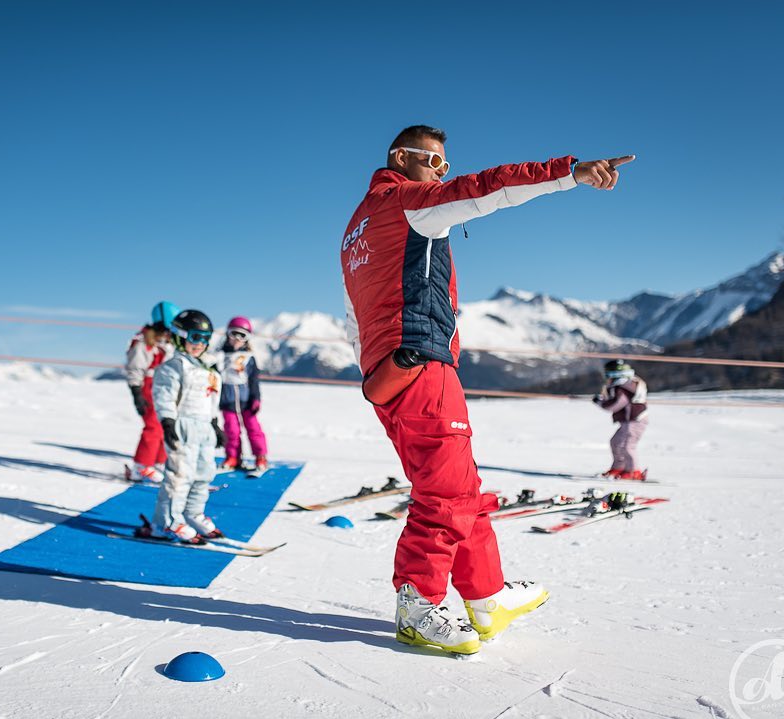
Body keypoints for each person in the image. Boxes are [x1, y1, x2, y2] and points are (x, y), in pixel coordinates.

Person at [340, 124, 634, 655]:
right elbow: (486, 188)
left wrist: (378, 369)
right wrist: (569, 173)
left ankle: (487, 597)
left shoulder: (354, 229)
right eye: (433, 162)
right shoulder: (408, 201)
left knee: (461, 488)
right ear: (400, 158)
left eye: (444, 166)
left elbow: (358, 311)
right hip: (421, 367)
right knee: (445, 495)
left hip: (389, 373)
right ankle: (418, 604)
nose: (441, 173)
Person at [144, 309, 227, 544]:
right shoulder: (174, 366)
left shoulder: (208, 369)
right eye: (195, 337)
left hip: (204, 429)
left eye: (205, 338)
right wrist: (168, 422)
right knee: (180, 476)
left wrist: (215, 424)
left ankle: (193, 513)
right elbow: (164, 395)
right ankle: (166, 522)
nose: (200, 344)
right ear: (180, 337)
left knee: (204, 474)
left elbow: (211, 400)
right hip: (182, 426)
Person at [124, 301, 179, 483]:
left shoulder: (168, 341)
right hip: (148, 386)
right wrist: (136, 392)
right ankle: (141, 466)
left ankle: (159, 462)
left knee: (166, 423)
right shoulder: (143, 342)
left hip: (164, 386)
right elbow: (135, 368)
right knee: (153, 426)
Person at [216, 316, 269, 473]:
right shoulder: (220, 356)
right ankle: (233, 457)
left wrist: (256, 398)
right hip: (227, 400)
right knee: (231, 431)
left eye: (242, 335)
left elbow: (253, 380)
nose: (237, 339)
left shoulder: (249, 358)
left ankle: (260, 456)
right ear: (227, 335)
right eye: (234, 334)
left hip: (246, 401)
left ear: (247, 339)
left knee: (253, 429)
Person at [592, 359, 649, 480]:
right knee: (616, 442)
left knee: (628, 445)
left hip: (635, 420)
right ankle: (619, 467)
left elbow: (616, 404)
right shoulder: (624, 386)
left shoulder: (623, 387)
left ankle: (634, 471)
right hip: (629, 421)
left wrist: (600, 402)